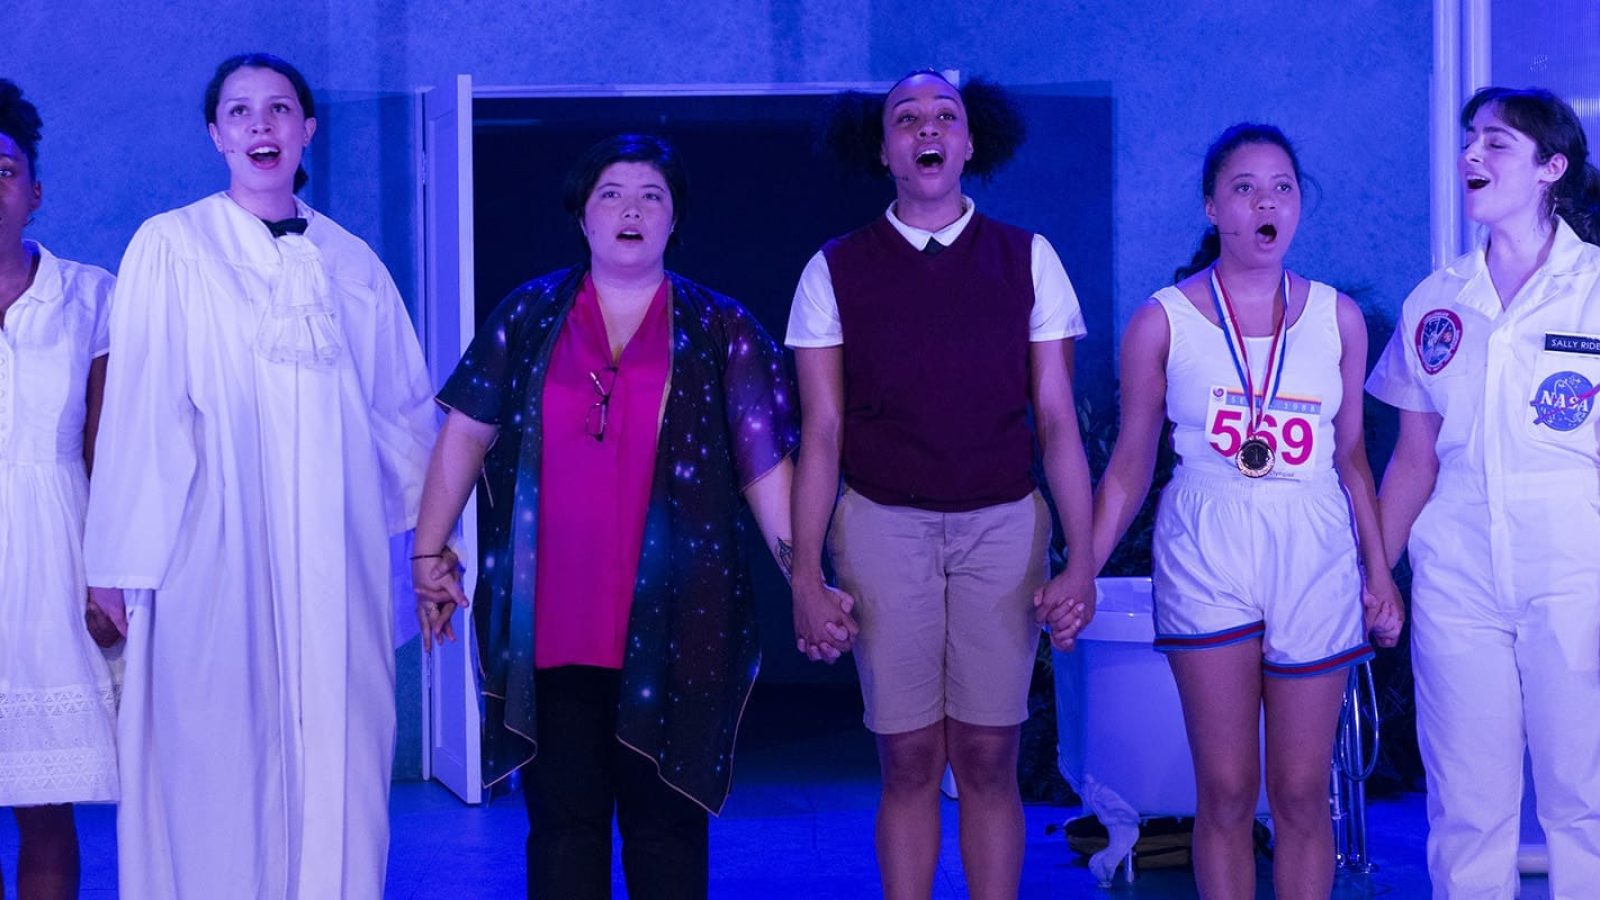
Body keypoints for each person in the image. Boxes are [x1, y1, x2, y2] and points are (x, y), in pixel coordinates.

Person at [81, 53, 437, 898]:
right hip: (215, 545)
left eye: (279, 109)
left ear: (307, 128)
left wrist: (425, 552)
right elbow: (143, 411)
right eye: (239, 112)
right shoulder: (173, 246)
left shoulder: (354, 264)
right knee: (216, 755)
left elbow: (403, 415)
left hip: (334, 555)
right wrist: (119, 567)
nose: (260, 125)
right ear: (215, 135)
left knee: (341, 750)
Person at [412, 133, 800, 900]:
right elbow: (465, 434)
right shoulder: (527, 313)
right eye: (612, 194)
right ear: (582, 217)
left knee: (668, 827)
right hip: (551, 623)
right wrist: (428, 555)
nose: (632, 209)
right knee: (563, 825)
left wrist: (809, 581)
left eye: (652, 195)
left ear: (674, 218)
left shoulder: (722, 327)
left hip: (678, 622)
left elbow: (765, 471)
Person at [786, 70, 1096, 899]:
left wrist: (1083, 560)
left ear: (969, 141)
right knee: (911, 755)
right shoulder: (834, 270)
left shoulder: (1028, 257)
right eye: (906, 119)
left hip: (1004, 525)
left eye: (944, 117)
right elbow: (820, 433)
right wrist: (804, 575)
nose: (927, 130)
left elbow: (1058, 422)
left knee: (989, 756)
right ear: (884, 148)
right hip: (884, 525)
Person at [1086, 123, 1403, 900]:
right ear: (1212, 207)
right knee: (1225, 792)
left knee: (1299, 794)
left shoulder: (1340, 318)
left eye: (1282, 187)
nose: (1266, 201)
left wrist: (1381, 574)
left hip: (1312, 541)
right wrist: (1082, 571)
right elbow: (1131, 462)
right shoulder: (1164, 319)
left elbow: (1353, 456)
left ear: (1298, 208)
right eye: (1245, 187)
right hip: (1208, 536)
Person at [1368, 86, 1600, 900]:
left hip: (1576, 577)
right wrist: (1375, 575)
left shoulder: (1596, 288)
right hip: (1457, 580)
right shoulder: (1437, 301)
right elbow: (1412, 463)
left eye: (1496, 144)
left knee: (1586, 800)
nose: (1472, 156)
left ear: (1551, 170)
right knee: (1467, 805)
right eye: (1469, 141)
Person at [0, 77, 119, 900]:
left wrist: (102, 570)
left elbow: (109, 452)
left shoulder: (90, 296)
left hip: (53, 563)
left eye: (3, 169)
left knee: (45, 806)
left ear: (34, 193)